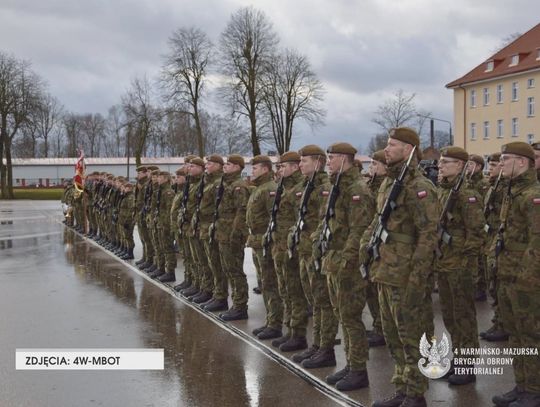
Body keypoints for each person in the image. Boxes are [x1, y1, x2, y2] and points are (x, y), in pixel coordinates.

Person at [361, 127, 437, 407]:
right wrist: (364, 253)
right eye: (388, 143)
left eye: (393, 144)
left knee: (410, 336)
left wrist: (418, 278)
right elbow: (379, 222)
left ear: (409, 149)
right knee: (393, 335)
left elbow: (429, 235)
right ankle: (403, 387)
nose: (387, 148)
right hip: (385, 270)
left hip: (405, 274)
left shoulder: (420, 187)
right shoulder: (388, 184)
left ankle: (416, 393)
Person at [312, 142, 374, 391]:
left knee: (350, 317)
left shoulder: (357, 189)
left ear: (346, 159)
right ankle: (350, 364)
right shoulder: (337, 186)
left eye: (333, 157)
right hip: (334, 259)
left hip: (346, 263)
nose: (328, 161)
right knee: (341, 315)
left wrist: (348, 260)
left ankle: (359, 370)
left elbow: (359, 230)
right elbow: (327, 221)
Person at [491, 142, 540, 407]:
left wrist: (527, 278)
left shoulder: (533, 195)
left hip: (526, 281)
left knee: (531, 335)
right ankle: (521, 386)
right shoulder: (512, 193)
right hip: (508, 276)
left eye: (505, 159)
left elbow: (537, 242)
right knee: (515, 334)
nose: (501, 164)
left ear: (522, 162)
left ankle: (534, 390)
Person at [436, 146, 483, 385]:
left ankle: (468, 364)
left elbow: (476, 234)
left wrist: (465, 262)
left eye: (447, 162)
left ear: (461, 165)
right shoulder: (443, 191)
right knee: (450, 316)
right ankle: (457, 358)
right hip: (443, 263)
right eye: (441, 162)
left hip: (460, 264)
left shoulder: (467, 195)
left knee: (464, 316)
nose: (441, 165)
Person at [290, 145, 339, 367]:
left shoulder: (324, 188)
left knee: (323, 301)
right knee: (315, 300)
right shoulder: (308, 185)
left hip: (316, 251)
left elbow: (324, 222)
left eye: (305, 161)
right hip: (305, 250)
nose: (300, 164)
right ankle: (317, 345)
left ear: (317, 163)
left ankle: (325, 349)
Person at [246, 155, 283, 340]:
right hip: (257, 241)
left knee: (270, 283)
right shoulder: (259, 188)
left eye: (255, 168)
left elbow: (273, 218)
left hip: (265, 242)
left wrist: (268, 240)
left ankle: (275, 324)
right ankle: (270, 321)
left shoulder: (269, 189)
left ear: (265, 169)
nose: (252, 171)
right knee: (265, 283)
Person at [216, 154, 251, 321]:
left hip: (232, 236)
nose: (225, 166)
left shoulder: (238, 186)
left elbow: (242, 212)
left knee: (235, 271)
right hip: (223, 233)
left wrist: (236, 235)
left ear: (237, 167)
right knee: (228, 270)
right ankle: (235, 304)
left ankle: (240, 306)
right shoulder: (226, 184)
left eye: (229, 164)